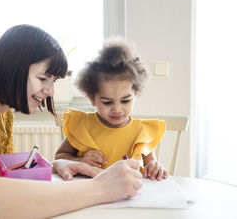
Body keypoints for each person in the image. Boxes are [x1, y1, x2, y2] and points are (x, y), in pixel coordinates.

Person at [0, 25, 143, 218]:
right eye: (43, 78)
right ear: (11, 68)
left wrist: (55, 167)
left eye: (53, 81)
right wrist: (99, 188)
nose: (49, 91)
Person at [55, 37, 168, 181]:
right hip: (89, 194)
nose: (117, 109)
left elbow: (151, 163)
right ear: (92, 99)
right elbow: (59, 158)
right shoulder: (82, 126)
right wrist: (81, 160)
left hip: (127, 196)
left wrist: (154, 167)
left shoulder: (141, 131)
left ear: (136, 93)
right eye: (107, 102)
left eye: (125, 101)